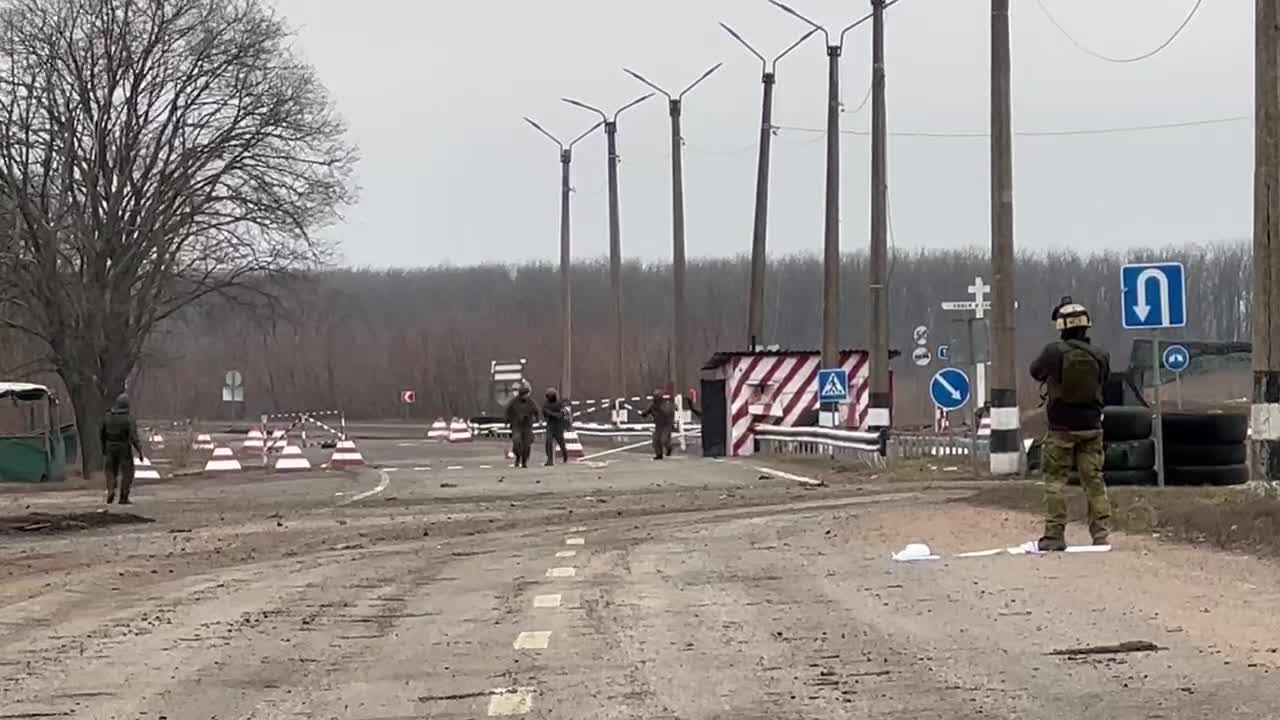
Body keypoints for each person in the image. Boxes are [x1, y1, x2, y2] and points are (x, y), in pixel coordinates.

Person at [1029, 298, 1112, 551]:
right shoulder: (1100, 354)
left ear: (1061, 327)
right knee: (1095, 482)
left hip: (1061, 428)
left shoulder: (1054, 352)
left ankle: (1055, 536)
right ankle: (1101, 536)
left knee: (1055, 482)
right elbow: (1104, 380)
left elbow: (1035, 372)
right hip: (1092, 427)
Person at [100, 393, 143, 505]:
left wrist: (103, 447)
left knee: (110, 470)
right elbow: (133, 436)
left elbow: (102, 432)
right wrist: (139, 450)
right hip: (124, 446)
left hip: (110, 445)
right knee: (128, 471)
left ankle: (111, 489)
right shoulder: (128, 417)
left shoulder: (108, 416)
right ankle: (123, 496)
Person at [504, 382, 539, 468]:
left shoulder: (531, 402)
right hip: (516, 425)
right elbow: (507, 411)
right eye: (524, 395)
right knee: (517, 442)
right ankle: (518, 457)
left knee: (527, 444)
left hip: (527, 425)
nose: (526, 396)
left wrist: (537, 419)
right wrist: (507, 420)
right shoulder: (513, 402)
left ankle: (524, 461)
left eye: (527, 394)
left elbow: (536, 410)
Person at [639, 389, 674, 460]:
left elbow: (667, 412)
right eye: (655, 396)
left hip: (667, 424)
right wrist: (643, 414)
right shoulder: (652, 405)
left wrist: (658, 409)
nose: (655, 398)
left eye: (657, 396)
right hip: (658, 425)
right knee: (655, 440)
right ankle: (659, 455)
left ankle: (669, 448)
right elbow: (646, 412)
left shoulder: (665, 404)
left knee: (663, 440)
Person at [541, 387, 569, 466]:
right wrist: (545, 414)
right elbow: (544, 413)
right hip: (550, 426)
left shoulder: (559, 404)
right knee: (548, 442)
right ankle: (549, 460)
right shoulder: (546, 404)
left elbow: (560, 415)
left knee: (561, 443)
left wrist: (550, 413)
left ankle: (565, 456)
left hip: (558, 426)